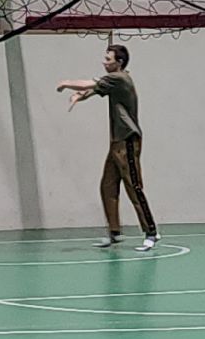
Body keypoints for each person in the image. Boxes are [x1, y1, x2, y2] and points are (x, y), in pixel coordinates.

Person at [57, 43, 160, 251]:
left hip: (128, 141)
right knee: (107, 185)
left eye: (108, 59)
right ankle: (114, 233)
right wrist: (79, 97)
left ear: (118, 62)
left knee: (134, 187)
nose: (104, 62)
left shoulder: (120, 78)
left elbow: (88, 83)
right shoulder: (112, 81)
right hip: (116, 143)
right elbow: (94, 90)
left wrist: (67, 83)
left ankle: (151, 232)